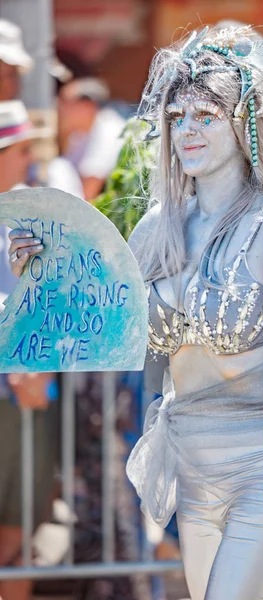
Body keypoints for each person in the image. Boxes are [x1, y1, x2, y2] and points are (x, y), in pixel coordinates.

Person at [8, 25, 263, 600]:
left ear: (245, 121)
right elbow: (96, 318)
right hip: (192, 477)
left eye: (205, 116)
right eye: (176, 116)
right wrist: (37, 272)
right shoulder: (156, 229)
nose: (185, 130)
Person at [0, 100, 58, 600]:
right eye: (20, 150)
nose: (28, 160)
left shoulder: (34, 215)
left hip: (20, 391)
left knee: (22, 511)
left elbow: (49, 299)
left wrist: (37, 371)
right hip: (12, 391)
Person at [55, 77, 125, 201]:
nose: (59, 109)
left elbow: (88, 192)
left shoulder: (109, 130)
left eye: (66, 103)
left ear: (87, 106)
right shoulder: (80, 133)